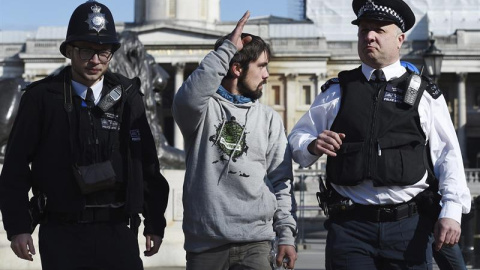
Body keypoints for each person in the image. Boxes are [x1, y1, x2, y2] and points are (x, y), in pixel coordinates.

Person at [288, 0, 471, 269]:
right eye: (363, 30)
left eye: (379, 30)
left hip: (408, 228)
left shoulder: (423, 93)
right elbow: (297, 139)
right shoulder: (337, 91)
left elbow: (447, 155)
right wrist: (313, 145)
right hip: (349, 228)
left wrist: (452, 211)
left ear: (400, 39)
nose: (369, 36)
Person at [0, 1, 169, 269]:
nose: (94, 61)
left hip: (117, 231)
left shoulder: (128, 97)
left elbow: (147, 164)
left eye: (104, 52)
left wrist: (155, 222)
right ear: (69, 51)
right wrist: (18, 226)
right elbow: (15, 166)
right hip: (62, 233)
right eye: (86, 51)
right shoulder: (42, 98)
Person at [172, 11, 297, 270]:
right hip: (206, 246)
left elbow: (281, 181)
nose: (267, 75)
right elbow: (188, 96)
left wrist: (286, 234)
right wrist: (226, 49)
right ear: (236, 68)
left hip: (257, 244)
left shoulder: (269, 118)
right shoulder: (201, 111)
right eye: (261, 66)